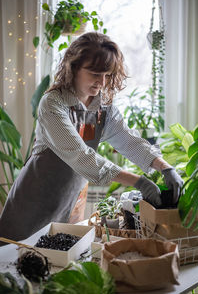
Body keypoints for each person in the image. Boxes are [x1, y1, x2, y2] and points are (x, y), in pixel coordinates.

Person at [0, 32, 183, 244]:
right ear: (73, 67)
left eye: (107, 74)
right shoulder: (52, 104)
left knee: (55, 262)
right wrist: (139, 182)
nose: (101, 82)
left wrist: (164, 167)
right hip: (33, 199)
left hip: (69, 200)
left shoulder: (103, 106)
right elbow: (81, 156)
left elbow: (126, 138)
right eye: (95, 73)